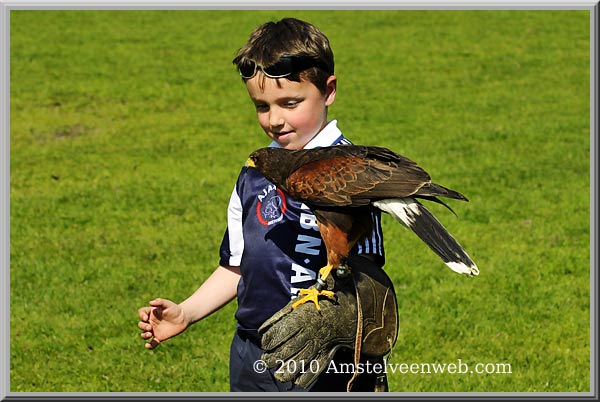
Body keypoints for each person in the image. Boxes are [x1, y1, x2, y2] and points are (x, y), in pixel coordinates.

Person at [137, 17, 388, 392]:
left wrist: (344, 332)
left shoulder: (351, 172)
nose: (275, 119)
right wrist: (186, 312)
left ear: (328, 90)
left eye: (291, 103)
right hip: (251, 355)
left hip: (323, 358)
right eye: (262, 106)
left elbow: (368, 276)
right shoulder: (254, 174)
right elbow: (236, 265)